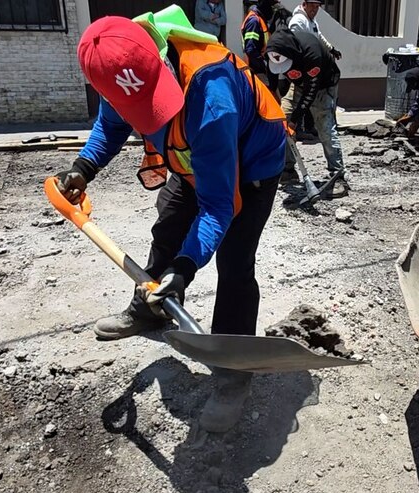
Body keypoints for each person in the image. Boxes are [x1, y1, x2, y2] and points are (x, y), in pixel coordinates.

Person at [54, 10, 287, 432]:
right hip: (191, 158)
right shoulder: (118, 60)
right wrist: (83, 167)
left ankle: (233, 372)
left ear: (158, 59)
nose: (149, 115)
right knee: (167, 229)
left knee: (234, 261)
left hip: (252, 162)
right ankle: (150, 309)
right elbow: (111, 123)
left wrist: (185, 267)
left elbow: (219, 204)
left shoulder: (210, 95)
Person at [266, 28, 348, 197]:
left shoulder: (312, 55)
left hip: (322, 86)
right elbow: (272, 78)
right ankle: (288, 171)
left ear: (292, 54)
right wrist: (273, 96)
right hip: (300, 84)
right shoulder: (274, 52)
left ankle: (338, 177)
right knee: (283, 121)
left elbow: (310, 92)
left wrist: (295, 120)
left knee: (324, 127)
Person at [242, 0, 280, 90]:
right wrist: (263, 65)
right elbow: (250, 49)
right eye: (272, 6)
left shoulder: (260, 19)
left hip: (263, 69)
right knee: (267, 99)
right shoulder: (254, 21)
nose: (274, 10)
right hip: (257, 71)